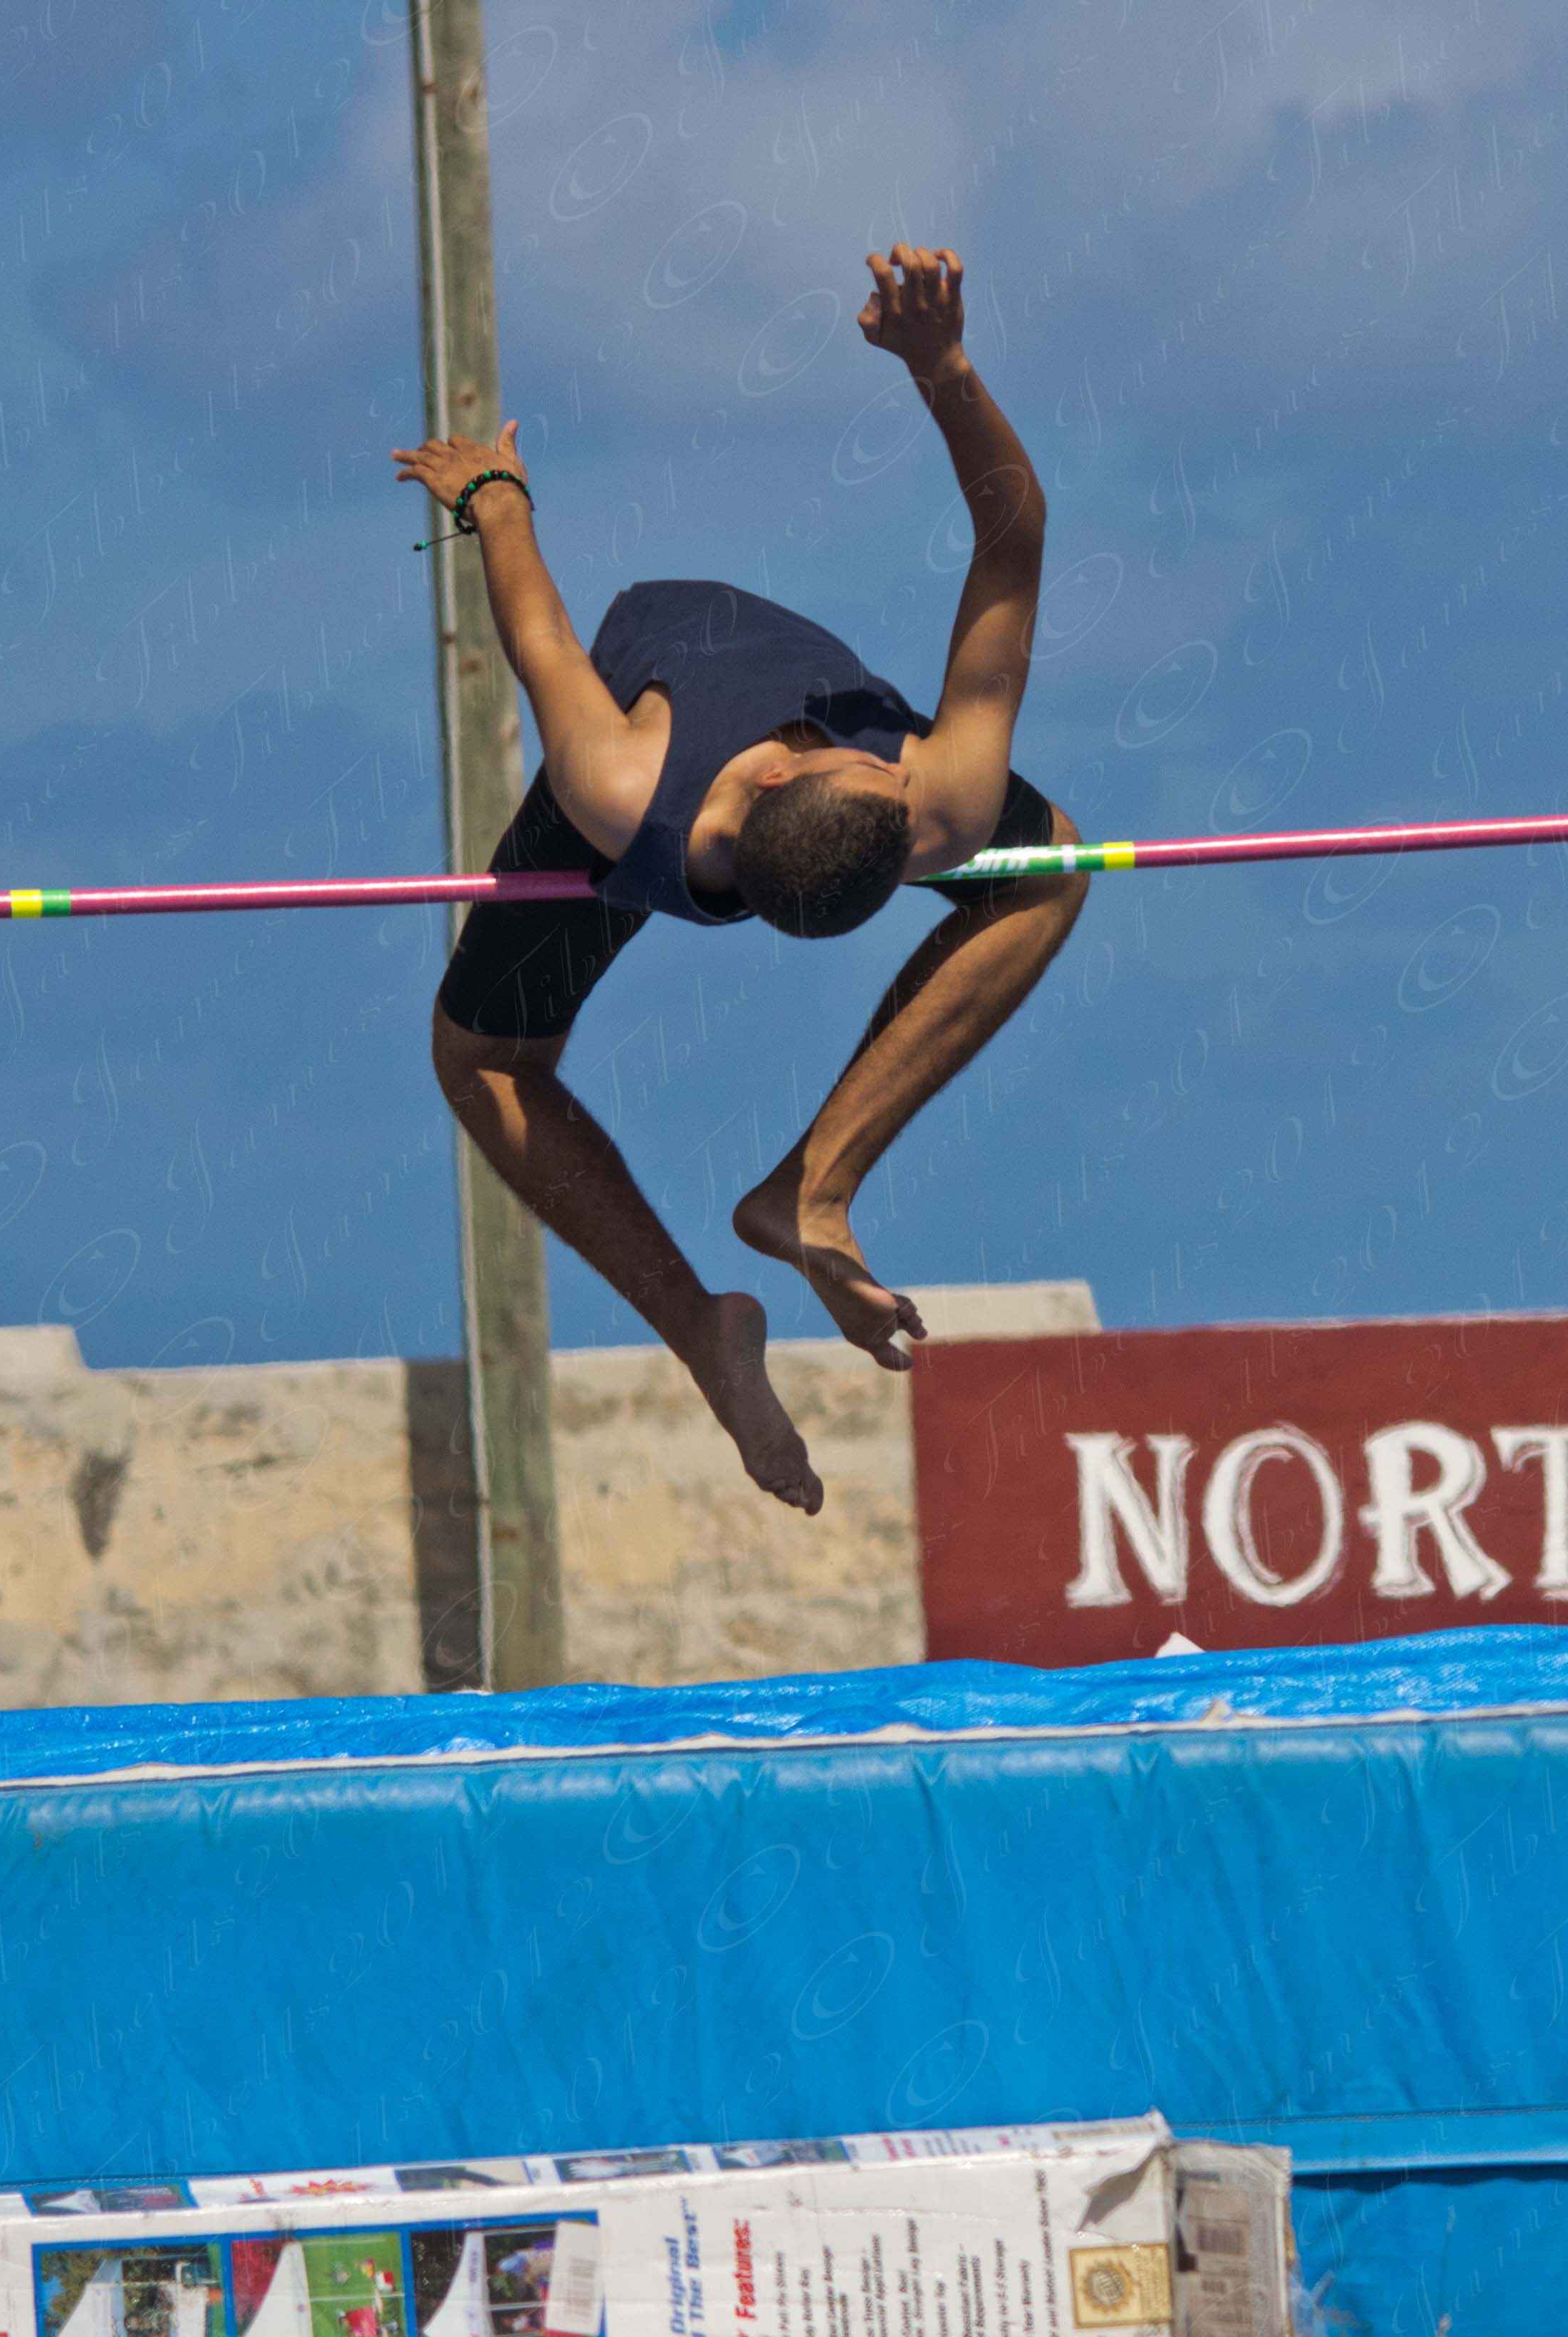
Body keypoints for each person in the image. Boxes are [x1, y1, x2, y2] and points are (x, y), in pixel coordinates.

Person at [394, 246, 1084, 1515]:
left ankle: (738, 1280)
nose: (892, 749)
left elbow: (538, 629)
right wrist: (943, 368)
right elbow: (1014, 534)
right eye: (880, 753)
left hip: (645, 778)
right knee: (1048, 872)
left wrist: (492, 491)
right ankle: (802, 1204)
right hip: (685, 749)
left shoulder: (619, 786)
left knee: (483, 1061)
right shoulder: (944, 801)